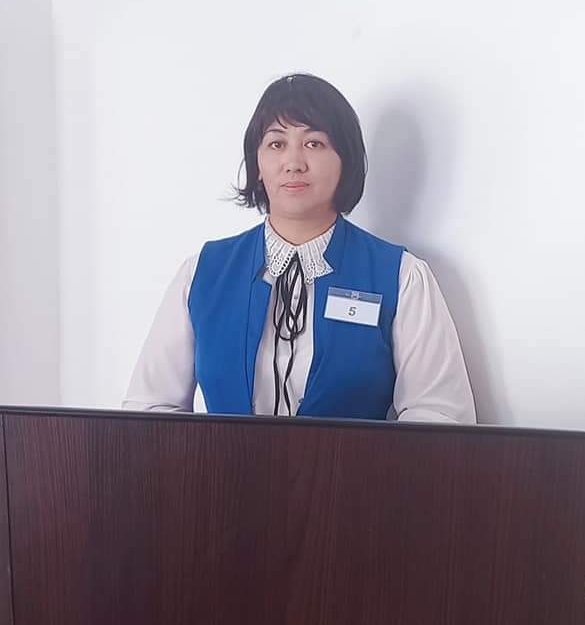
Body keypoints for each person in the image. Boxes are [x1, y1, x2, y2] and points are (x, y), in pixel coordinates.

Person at [122, 74, 476, 423]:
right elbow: (150, 411)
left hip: (356, 465)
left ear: (346, 160)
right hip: (224, 465)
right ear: (257, 164)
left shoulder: (401, 276)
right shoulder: (202, 273)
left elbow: (439, 415)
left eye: (314, 143)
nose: (293, 163)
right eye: (276, 144)